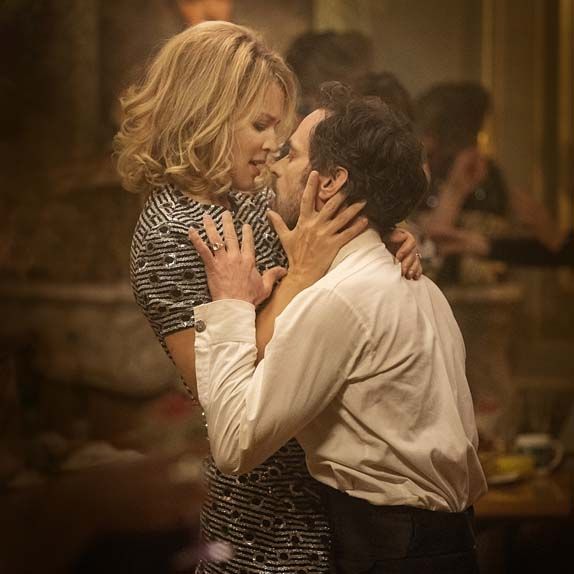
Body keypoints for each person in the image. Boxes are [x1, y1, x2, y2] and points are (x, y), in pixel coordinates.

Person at [114, 22, 422, 573]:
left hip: (333, 504)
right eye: (259, 124)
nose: (274, 143)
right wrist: (299, 276)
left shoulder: (248, 200)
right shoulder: (167, 233)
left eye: (277, 126)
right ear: (203, 115)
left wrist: (387, 234)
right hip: (266, 527)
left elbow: (331, 238)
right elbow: (219, 391)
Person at [189, 83, 488, 573]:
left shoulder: (339, 299)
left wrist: (230, 305)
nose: (276, 165)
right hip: (443, 546)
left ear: (328, 183)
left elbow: (234, 444)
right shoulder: (422, 288)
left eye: (291, 154)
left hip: (393, 553)